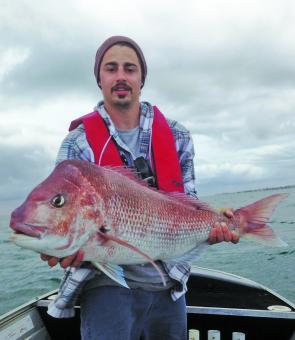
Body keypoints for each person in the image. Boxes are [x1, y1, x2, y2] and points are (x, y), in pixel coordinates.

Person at [41, 36, 239, 339]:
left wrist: (213, 225)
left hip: (170, 285)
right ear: (99, 78)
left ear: (141, 78)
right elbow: (60, 208)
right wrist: (57, 242)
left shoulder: (177, 135)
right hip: (104, 288)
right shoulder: (76, 144)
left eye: (130, 69)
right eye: (111, 68)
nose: (121, 76)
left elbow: (189, 201)